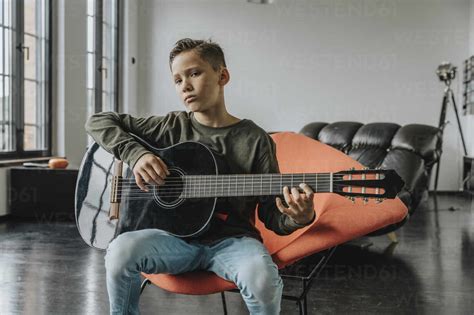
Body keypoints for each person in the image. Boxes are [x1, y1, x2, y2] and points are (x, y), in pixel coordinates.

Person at [85, 38, 316, 315]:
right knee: (120, 251)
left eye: (194, 73)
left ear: (223, 76)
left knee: (263, 279)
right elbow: (98, 121)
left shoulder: (254, 139)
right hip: (172, 242)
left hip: (233, 242)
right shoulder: (171, 126)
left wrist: (298, 217)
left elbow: (271, 215)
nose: (185, 85)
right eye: (177, 79)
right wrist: (136, 155)